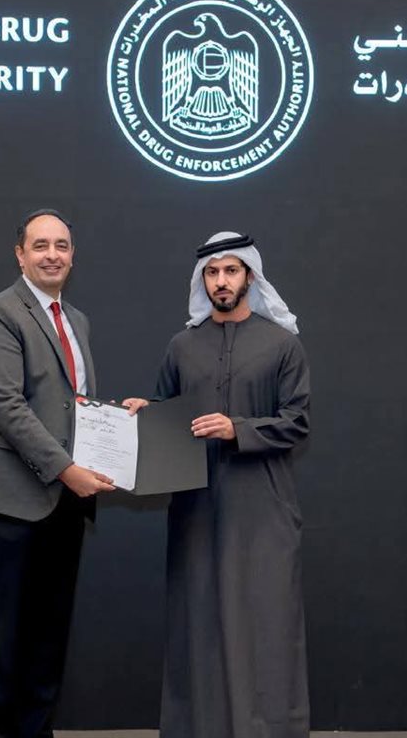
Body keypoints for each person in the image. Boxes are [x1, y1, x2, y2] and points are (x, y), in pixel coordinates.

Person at [125, 231, 311, 738]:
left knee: (266, 623)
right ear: (202, 280)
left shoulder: (283, 345)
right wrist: (144, 414)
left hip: (263, 508)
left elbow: (297, 423)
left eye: (231, 271)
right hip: (197, 511)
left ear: (249, 276)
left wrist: (238, 429)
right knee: (199, 623)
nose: (221, 281)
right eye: (212, 272)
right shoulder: (182, 347)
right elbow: (166, 414)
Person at [0, 209, 114, 738]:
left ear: (73, 256)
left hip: (63, 504)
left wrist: (121, 422)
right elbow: (6, 405)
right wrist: (67, 469)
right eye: (40, 245)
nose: (52, 255)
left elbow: (73, 406)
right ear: (20, 254)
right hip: (7, 501)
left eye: (61, 246)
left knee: (46, 642)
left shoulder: (77, 320)